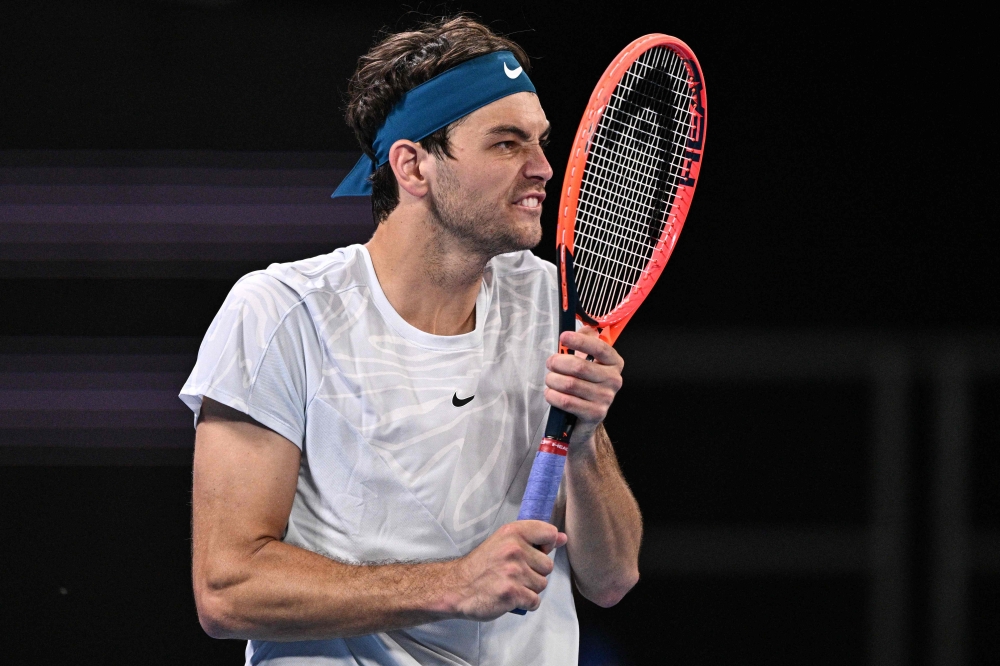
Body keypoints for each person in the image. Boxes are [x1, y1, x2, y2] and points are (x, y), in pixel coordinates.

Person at [181, 15, 642, 665]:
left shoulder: (546, 300)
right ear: (414, 166)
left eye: (541, 141)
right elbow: (228, 589)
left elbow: (613, 576)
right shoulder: (280, 313)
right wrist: (455, 583)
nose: (544, 168)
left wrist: (587, 437)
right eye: (507, 144)